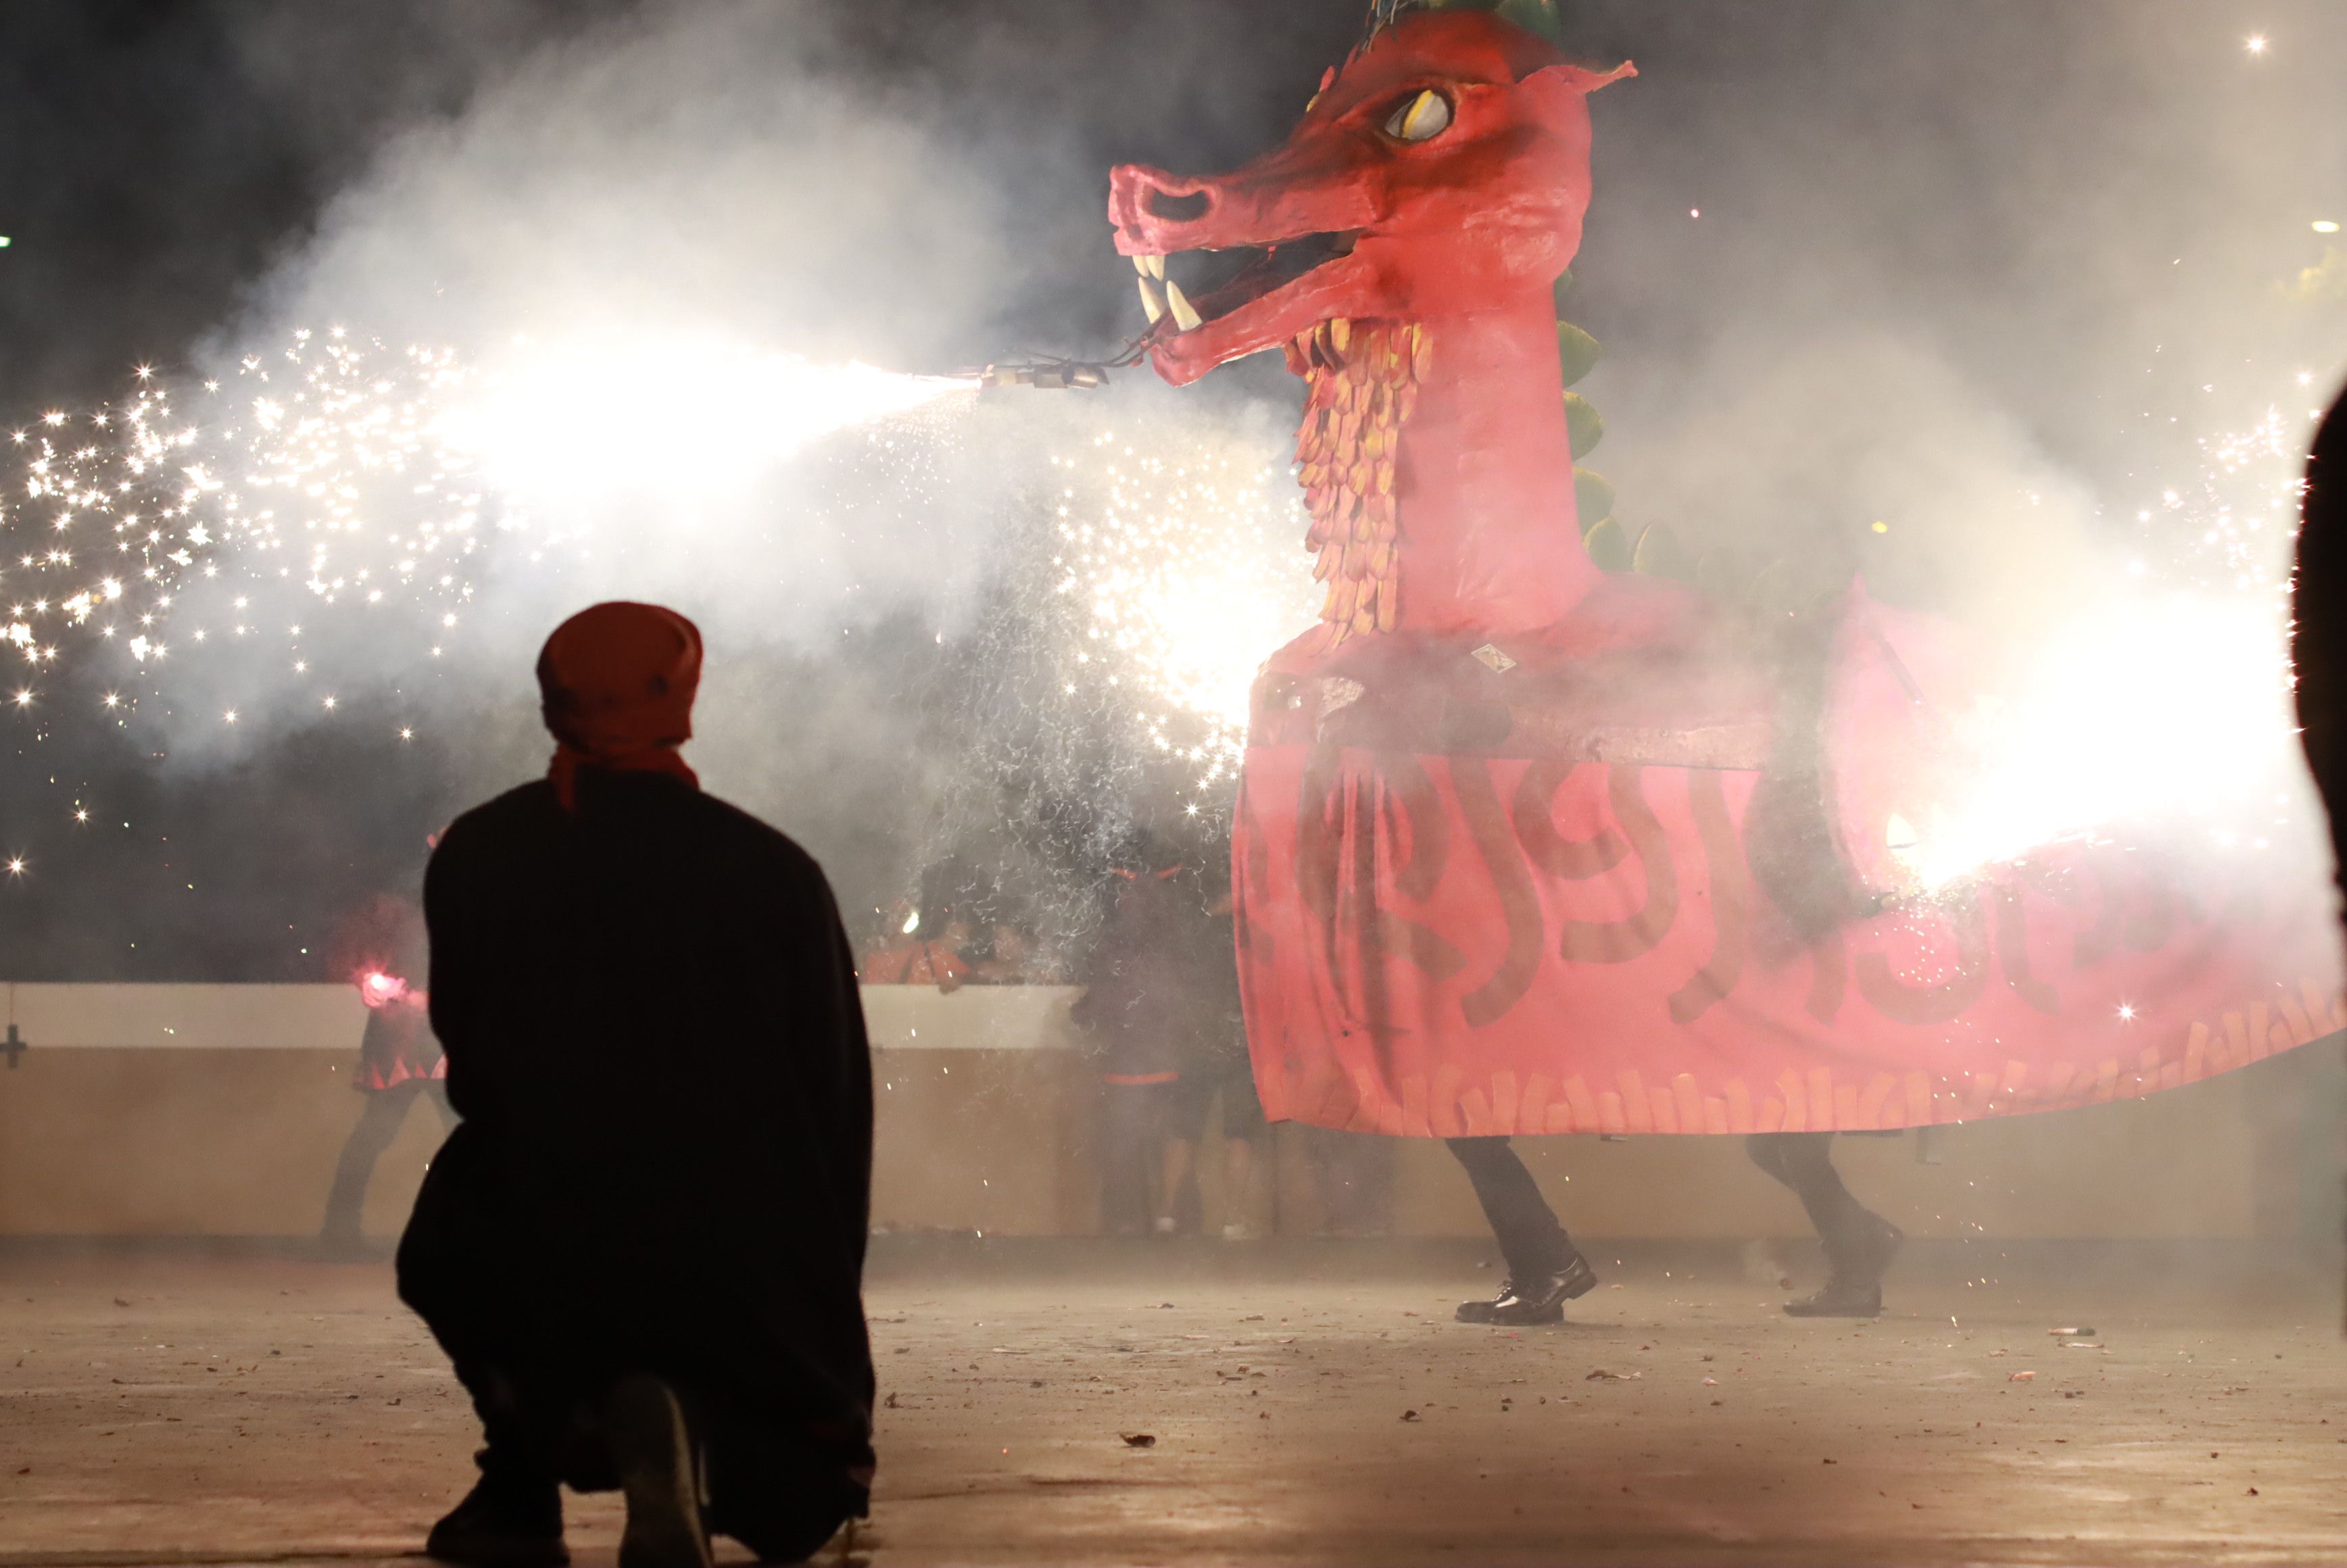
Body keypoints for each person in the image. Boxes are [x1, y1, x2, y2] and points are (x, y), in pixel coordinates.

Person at [400, 602, 875, 1568]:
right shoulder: (771, 870)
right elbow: (831, 1095)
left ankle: (522, 1480)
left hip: (538, 1218)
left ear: (553, 699)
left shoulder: (482, 853)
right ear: (681, 698)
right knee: (788, 1469)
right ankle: (698, 1433)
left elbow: (471, 1053)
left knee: (445, 1249)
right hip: (732, 1228)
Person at [318, 893, 457, 1256]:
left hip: (449, 1043)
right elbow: (352, 950)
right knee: (371, 1137)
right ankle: (339, 1232)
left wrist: (417, 999)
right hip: (398, 1045)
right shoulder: (397, 905)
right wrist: (367, 983)